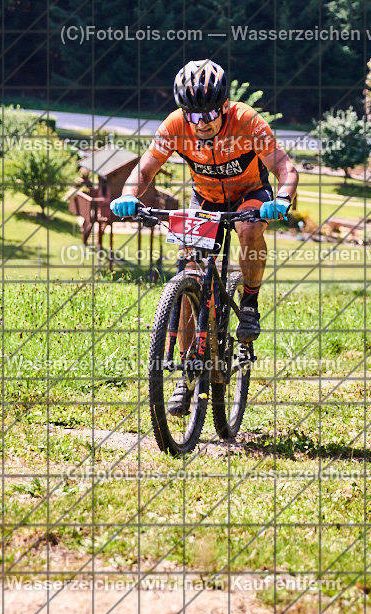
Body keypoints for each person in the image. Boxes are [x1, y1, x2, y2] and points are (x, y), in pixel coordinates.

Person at [110, 59, 298, 415]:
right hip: (206, 200)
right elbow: (144, 169)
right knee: (189, 273)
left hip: (250, 195)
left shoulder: (247, 121)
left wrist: (283, 199)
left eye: (210, 114)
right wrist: (128, 195)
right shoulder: (176, 125)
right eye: (194, 116)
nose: (203, 123)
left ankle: (249, 303)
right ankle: (185, 370)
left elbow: (285, 167)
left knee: (249, 227)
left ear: (224, 105)